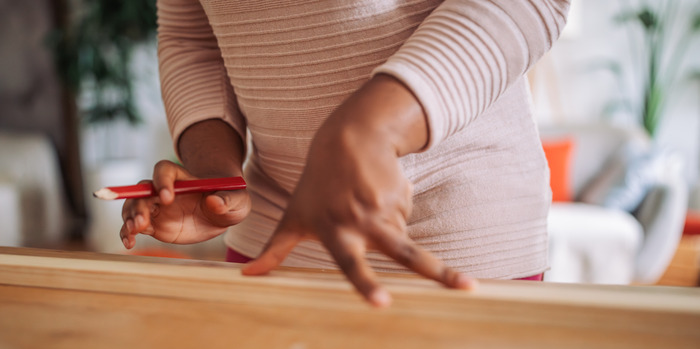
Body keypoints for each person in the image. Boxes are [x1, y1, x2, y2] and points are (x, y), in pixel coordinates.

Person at [121, 0, 571, 307]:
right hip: (273, 235)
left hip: (456, 235)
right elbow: (192, 36)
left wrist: (371, 128)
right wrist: (216, 177)